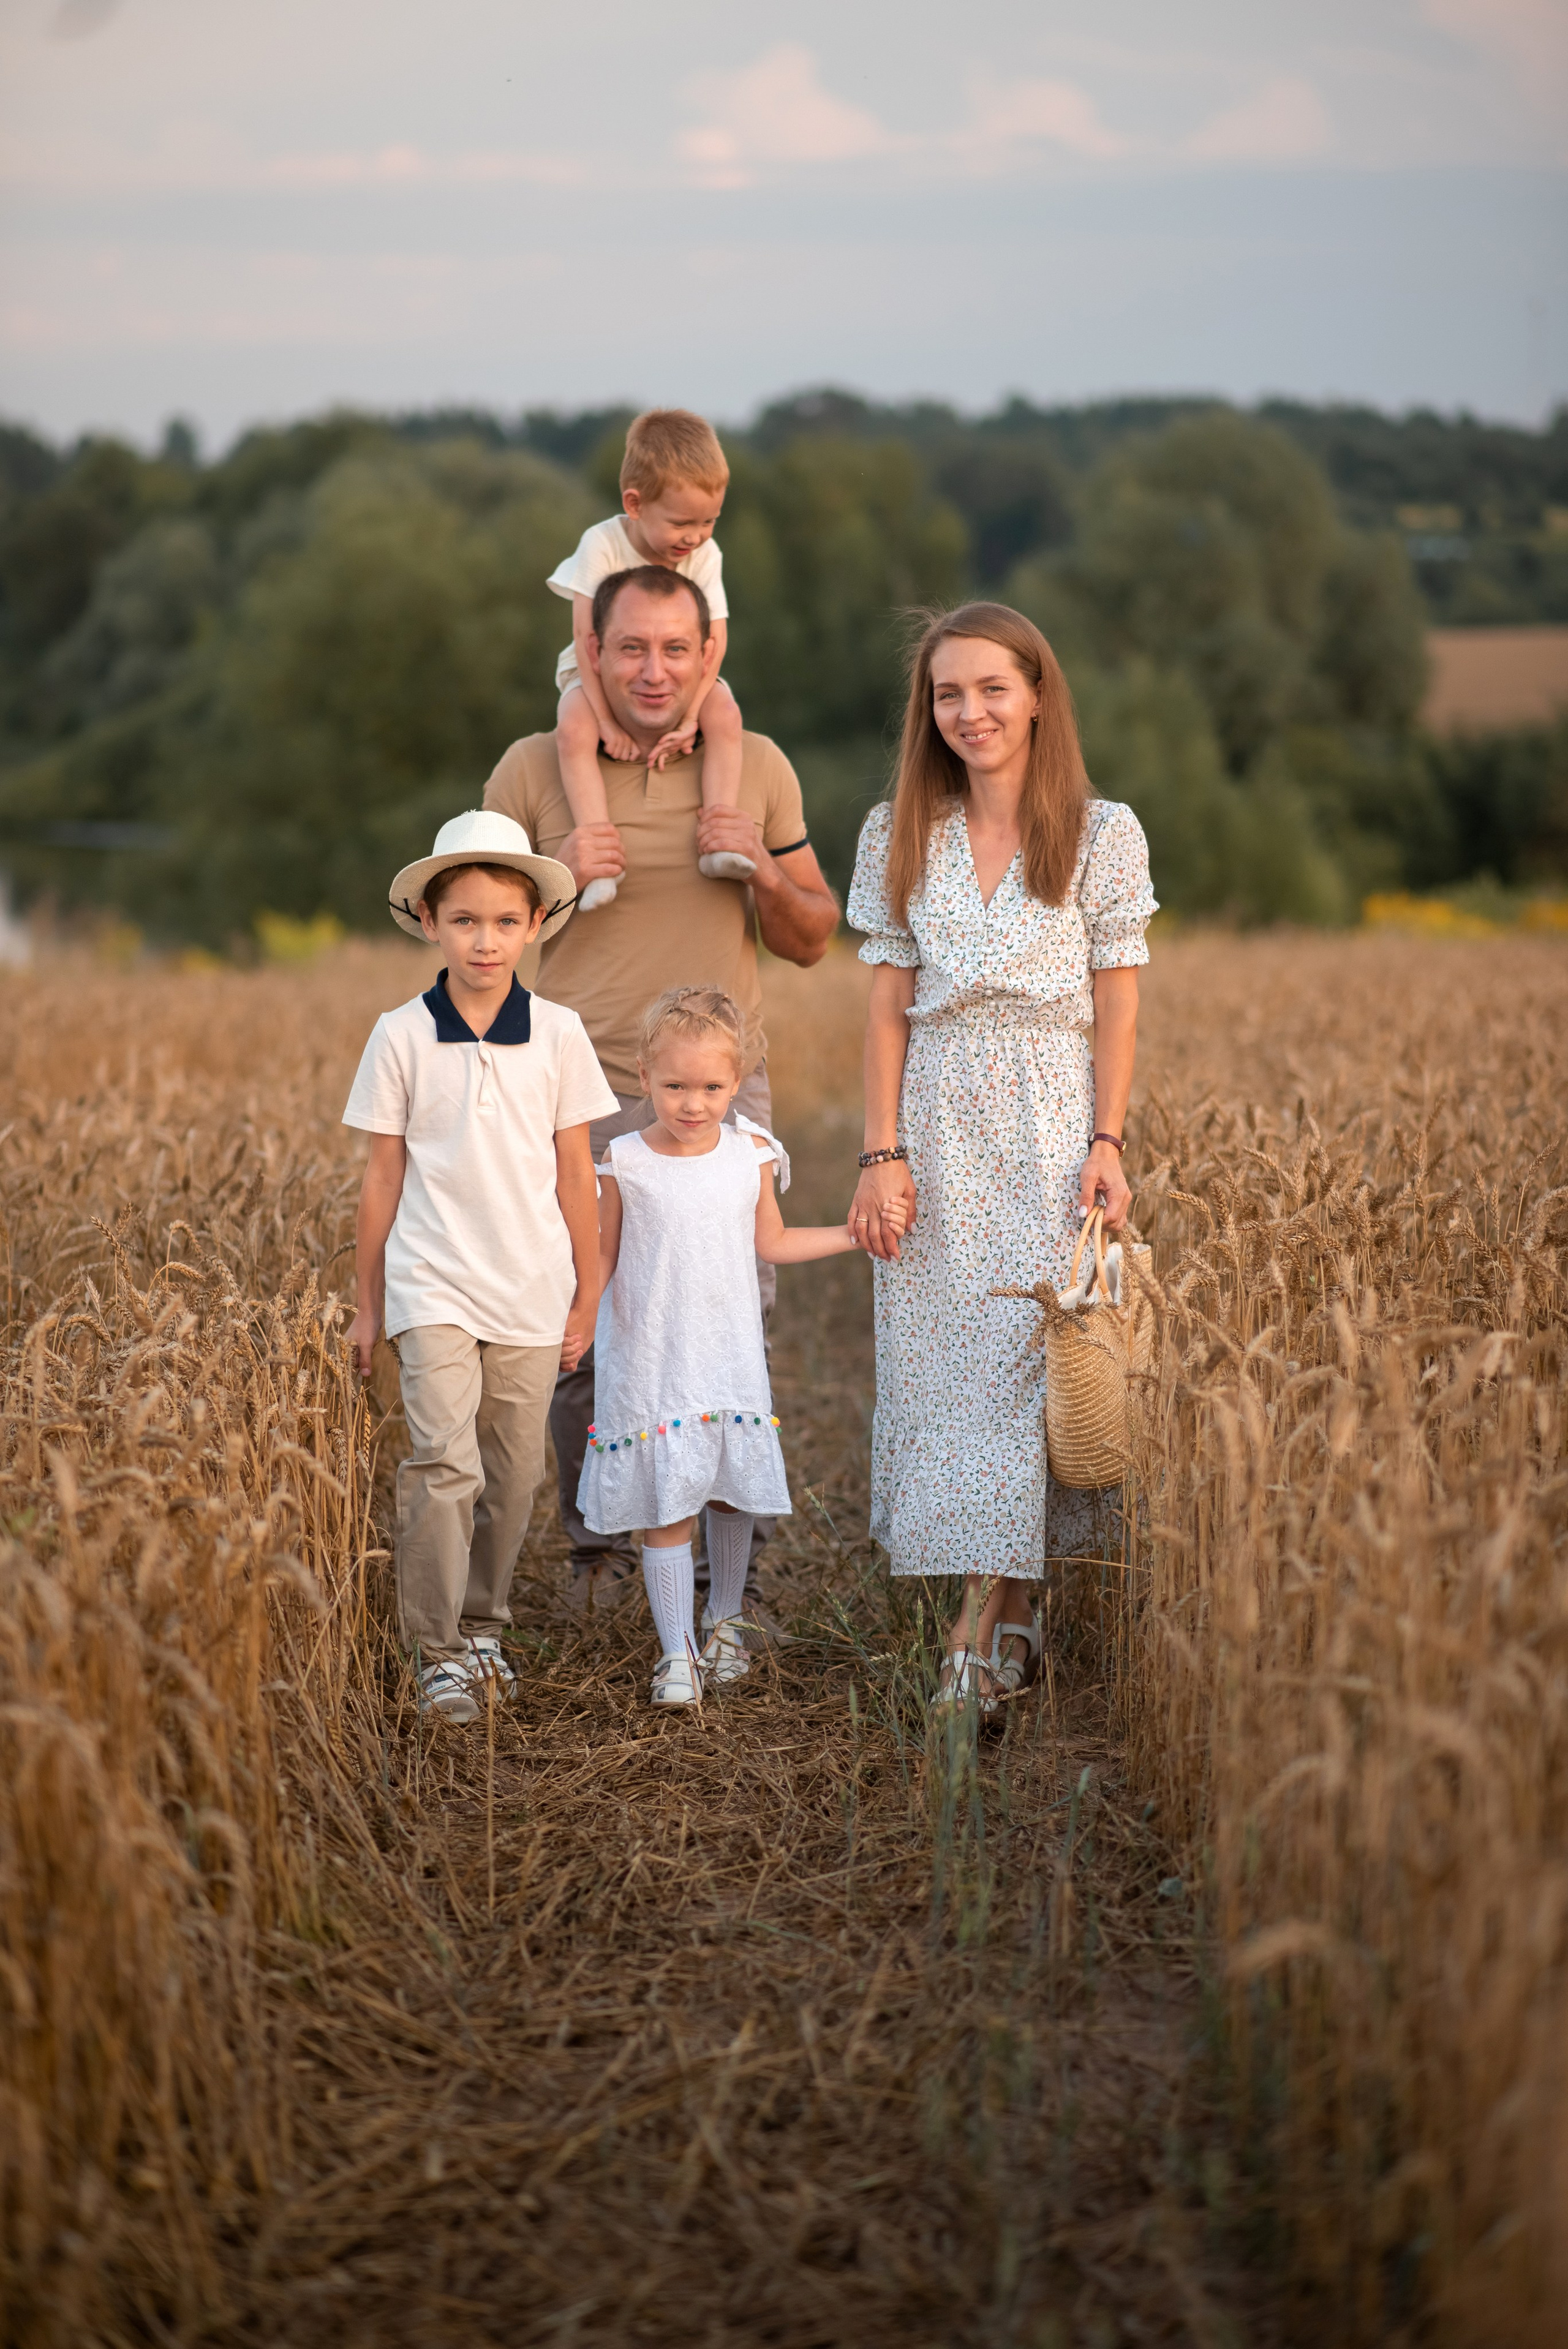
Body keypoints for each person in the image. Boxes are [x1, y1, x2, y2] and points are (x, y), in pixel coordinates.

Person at [484, 565, 840, 1615]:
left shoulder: (757, 768)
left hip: (722, 1094)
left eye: (675, 650)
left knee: (732, 1324)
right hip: (573, 1091)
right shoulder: (531, 770)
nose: (653, 669)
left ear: (706, 656)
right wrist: (557, 866)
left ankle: (727, 1576)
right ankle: (598, 1553)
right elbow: (479, 935)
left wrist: (763, 870)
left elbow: (815, 939)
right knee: (579, 1328)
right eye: (630, 647)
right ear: (590, 653)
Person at [845, 603, 1156, 1720]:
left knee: (1035, 1364)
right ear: (927, 712)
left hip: (1048, 1119)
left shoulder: (1103, 831)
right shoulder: (898, 830)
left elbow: (1116, 1004)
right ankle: (1005, 1614)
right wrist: (881, 1151)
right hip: (934, 1117)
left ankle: (984, 1628)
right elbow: (886, 1008)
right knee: (952, 1375)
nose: (969, 712)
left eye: (991, 688)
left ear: (1036, 695)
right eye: (947, 694)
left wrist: (1106, 1141)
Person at [344, 810, 619, 1720]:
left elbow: (577, 1170)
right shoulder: (400, 1035)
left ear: (536, 924)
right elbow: (383, 1174)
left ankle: (484, 1623)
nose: (486, 939)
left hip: (533, 1285)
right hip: (433, 1282)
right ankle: (436, 1652)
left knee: (515, 1472)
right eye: (465, 919)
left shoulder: (559, 1032)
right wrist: (366, 1303)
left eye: (505, 920)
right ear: (430, 921)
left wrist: (588, 1288)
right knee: (442, 1459)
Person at [581, 986, 897, 1706]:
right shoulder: (622, 1161)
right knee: (669, 1504)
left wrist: (856, 1235)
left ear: (737, 1081)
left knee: (727, 1494)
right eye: (676, 1086)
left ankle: (724, 1620)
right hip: (653, 1356)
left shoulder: (749, 1151)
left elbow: (772, 1241)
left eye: (713, 1087)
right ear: (643, 1077)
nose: (694, 1103)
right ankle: (677, 1653)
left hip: (725, 1350)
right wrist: (572, 1317)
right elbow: (599, 1260)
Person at [546, 407, 750, 909]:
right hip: (598, 671)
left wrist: (689, 715)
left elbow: (715, 643)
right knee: (572, 728)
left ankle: (719, 839)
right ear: (634, 504)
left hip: (683, 676)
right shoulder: (602, 544)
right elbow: (584, 636)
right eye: (682, 522)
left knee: (725, 714)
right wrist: (602, 719)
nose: (696, 536)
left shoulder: (705, 554)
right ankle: (598, 857)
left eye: (709, 521)